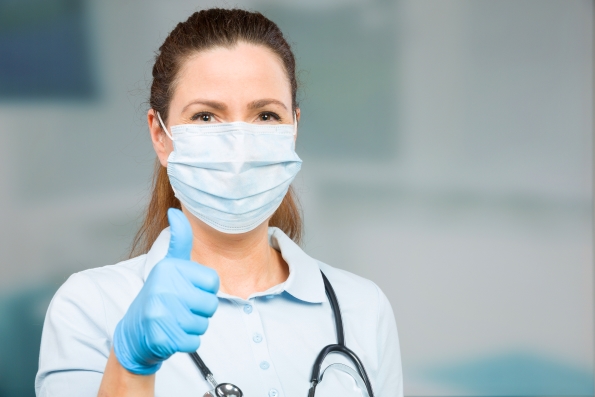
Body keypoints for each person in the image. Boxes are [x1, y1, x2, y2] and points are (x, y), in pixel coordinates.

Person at [35, 8, 403, 397]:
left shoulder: (362, 306)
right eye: (206, 116)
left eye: (265, 115)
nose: (238, 147)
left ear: (293, 129)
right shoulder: (90, 306)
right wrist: (130, 366)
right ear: (160, 136)